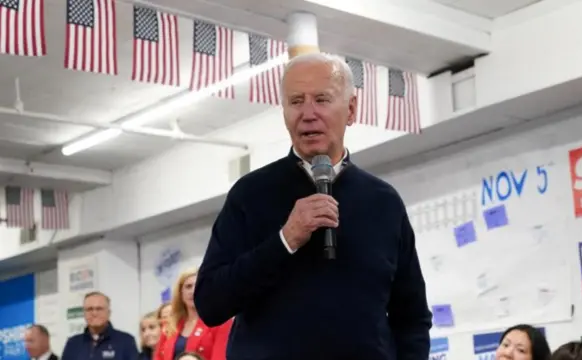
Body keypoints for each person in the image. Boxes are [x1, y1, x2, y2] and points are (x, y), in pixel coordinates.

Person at [194, 52, 432, 359]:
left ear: (351, 109)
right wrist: (285, 240)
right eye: (296, 101)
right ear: (283, 112)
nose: (308, 113)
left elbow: (411, 317)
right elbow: (211, 304)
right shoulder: (251, 194)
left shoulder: (384, 201)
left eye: (322, 99)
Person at [154, 268, 232, 360]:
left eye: (197, 286)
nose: (193, 291)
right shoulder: (170, 325)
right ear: (180, 293)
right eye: (188, 286)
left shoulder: (221, 322)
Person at [61, 291, 138, 360]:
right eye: (89, 309)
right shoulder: (73, 343)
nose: (94, 313)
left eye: (99, 309)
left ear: (109, 313)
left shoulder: (126, 341)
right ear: (84, 313)